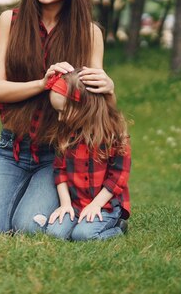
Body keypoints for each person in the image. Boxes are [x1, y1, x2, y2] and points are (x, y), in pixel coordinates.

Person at [0, 0, 116, 233]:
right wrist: (43, 82)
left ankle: (107, 220)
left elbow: (95, 110)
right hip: (10, 149)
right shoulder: (9, 22)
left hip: (59, 154)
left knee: (28, 228)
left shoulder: (89, 34)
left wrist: (109, 88)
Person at [39, 71, 130, 241]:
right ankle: (80, 222)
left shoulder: (113, 135)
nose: (59, 118)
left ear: (84, 105)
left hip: (105, 206)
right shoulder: (65, 134)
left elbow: (119, 177)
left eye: (63, 111)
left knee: (83, 235)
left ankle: (118, 228)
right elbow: (60, 172)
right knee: (55, 234)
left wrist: (96, 205)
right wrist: (65, 204)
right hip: (75, 204)